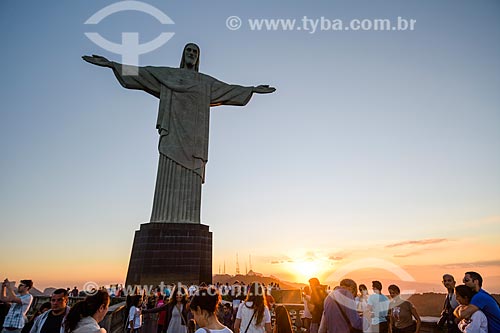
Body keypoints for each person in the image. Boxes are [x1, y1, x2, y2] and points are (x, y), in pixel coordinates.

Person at [82, 44, 276, 224]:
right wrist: (111, 65)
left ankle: (188, 220)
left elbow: (229, 89)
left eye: (195, 52)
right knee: (167, 175)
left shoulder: (204, 82)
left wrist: (252, 90)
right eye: (188, 51)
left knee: (191, 183)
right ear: (183, 55)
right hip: (172, 135)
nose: (191, 54)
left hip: (195, 140)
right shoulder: (168, 74)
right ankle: (162, 218)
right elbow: (141, 74)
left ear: (198, 57)